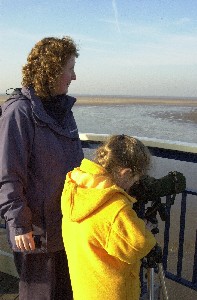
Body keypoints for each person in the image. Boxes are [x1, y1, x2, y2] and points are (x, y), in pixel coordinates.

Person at [0, 36, 84, 300]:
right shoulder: (20, 112)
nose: (74, 76)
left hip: (66, 227)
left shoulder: (63, 111)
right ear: (52, 69)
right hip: (35, 232)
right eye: (70, 68)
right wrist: (19, 224)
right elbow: (8, 174)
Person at [61, 134, 157, 300]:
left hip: (85, 288)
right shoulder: (114, 208)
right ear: (125, 173)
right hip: (111, 292)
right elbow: (139, 244)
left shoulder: (77, 187)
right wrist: (145, 229)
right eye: (135, 179)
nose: (134, 184)